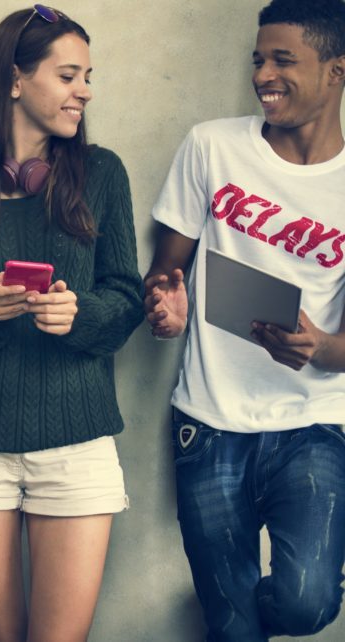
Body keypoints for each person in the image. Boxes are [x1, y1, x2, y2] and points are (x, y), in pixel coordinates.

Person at [0, 6, 142, 641]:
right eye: (69, 75)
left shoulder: (102, 175)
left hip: (77, 443)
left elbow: (127, 300)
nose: (85, 91)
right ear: (15, 79)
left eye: (87, 76)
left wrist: (79, 314)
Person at [145, 0, 345, 638]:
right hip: (208, 420)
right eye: (258, 59)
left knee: (307, 604)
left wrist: (319, 347)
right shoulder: (211, 145)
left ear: (337, 70)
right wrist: (165, 305)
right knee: (231, 628)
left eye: (283, 60)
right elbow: (166, 269)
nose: (263, 74)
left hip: (314, 423)